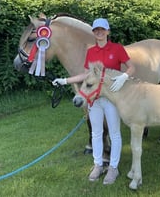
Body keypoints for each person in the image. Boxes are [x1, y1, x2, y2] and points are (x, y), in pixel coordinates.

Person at [52, 18, 135, 185]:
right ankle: (98, 165)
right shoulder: (91, 52)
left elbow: (132, 67)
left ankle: (113, 167)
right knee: (96, 133)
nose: (99, 32)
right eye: (96, 30)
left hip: (111, 97)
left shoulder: (117, 49)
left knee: (114, 133)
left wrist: (124, 76)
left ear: (108, 31)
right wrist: (65, 80)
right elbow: (86, 75)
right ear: (94, 32)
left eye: (102, 29)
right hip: (94, 99)